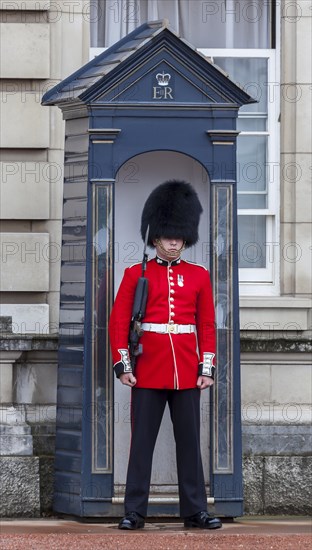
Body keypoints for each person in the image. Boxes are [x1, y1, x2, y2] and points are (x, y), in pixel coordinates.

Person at [109, 180, 222, 530]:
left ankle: (194, 511)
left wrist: (207, 367)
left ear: (185, 237)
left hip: (187, 370)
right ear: (155, 237)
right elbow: (118, 324)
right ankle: (134, 511)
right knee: (141, 442)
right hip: (148, 369)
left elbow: (206, 326)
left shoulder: (199, 276)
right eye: (168, 235)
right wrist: (124, 365)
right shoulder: (135, 274)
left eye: (179, 236)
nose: (174, 241)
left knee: (189, 444)